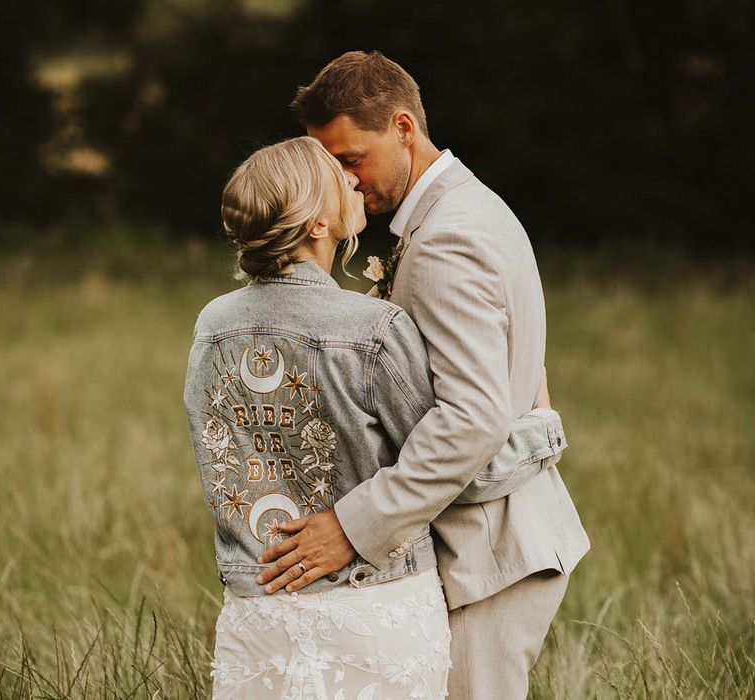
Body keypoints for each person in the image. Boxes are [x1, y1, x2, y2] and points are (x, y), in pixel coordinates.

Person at [183, 136, 571, 699]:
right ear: (318, 225)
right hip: (372, 606)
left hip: (257, 610)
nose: (353, 180)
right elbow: (461, 461)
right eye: (336, 175)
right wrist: (539, 426)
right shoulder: (373, 331)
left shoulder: (211, 326)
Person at [257, 51, 590, 699]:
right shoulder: (464, 209)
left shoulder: (446, 241)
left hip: (494, 553)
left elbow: (472, 419)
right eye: (332, 167)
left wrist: (353, 526)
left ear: (403, 128)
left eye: (351, 160)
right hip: (495, 541)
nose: (347, 183)